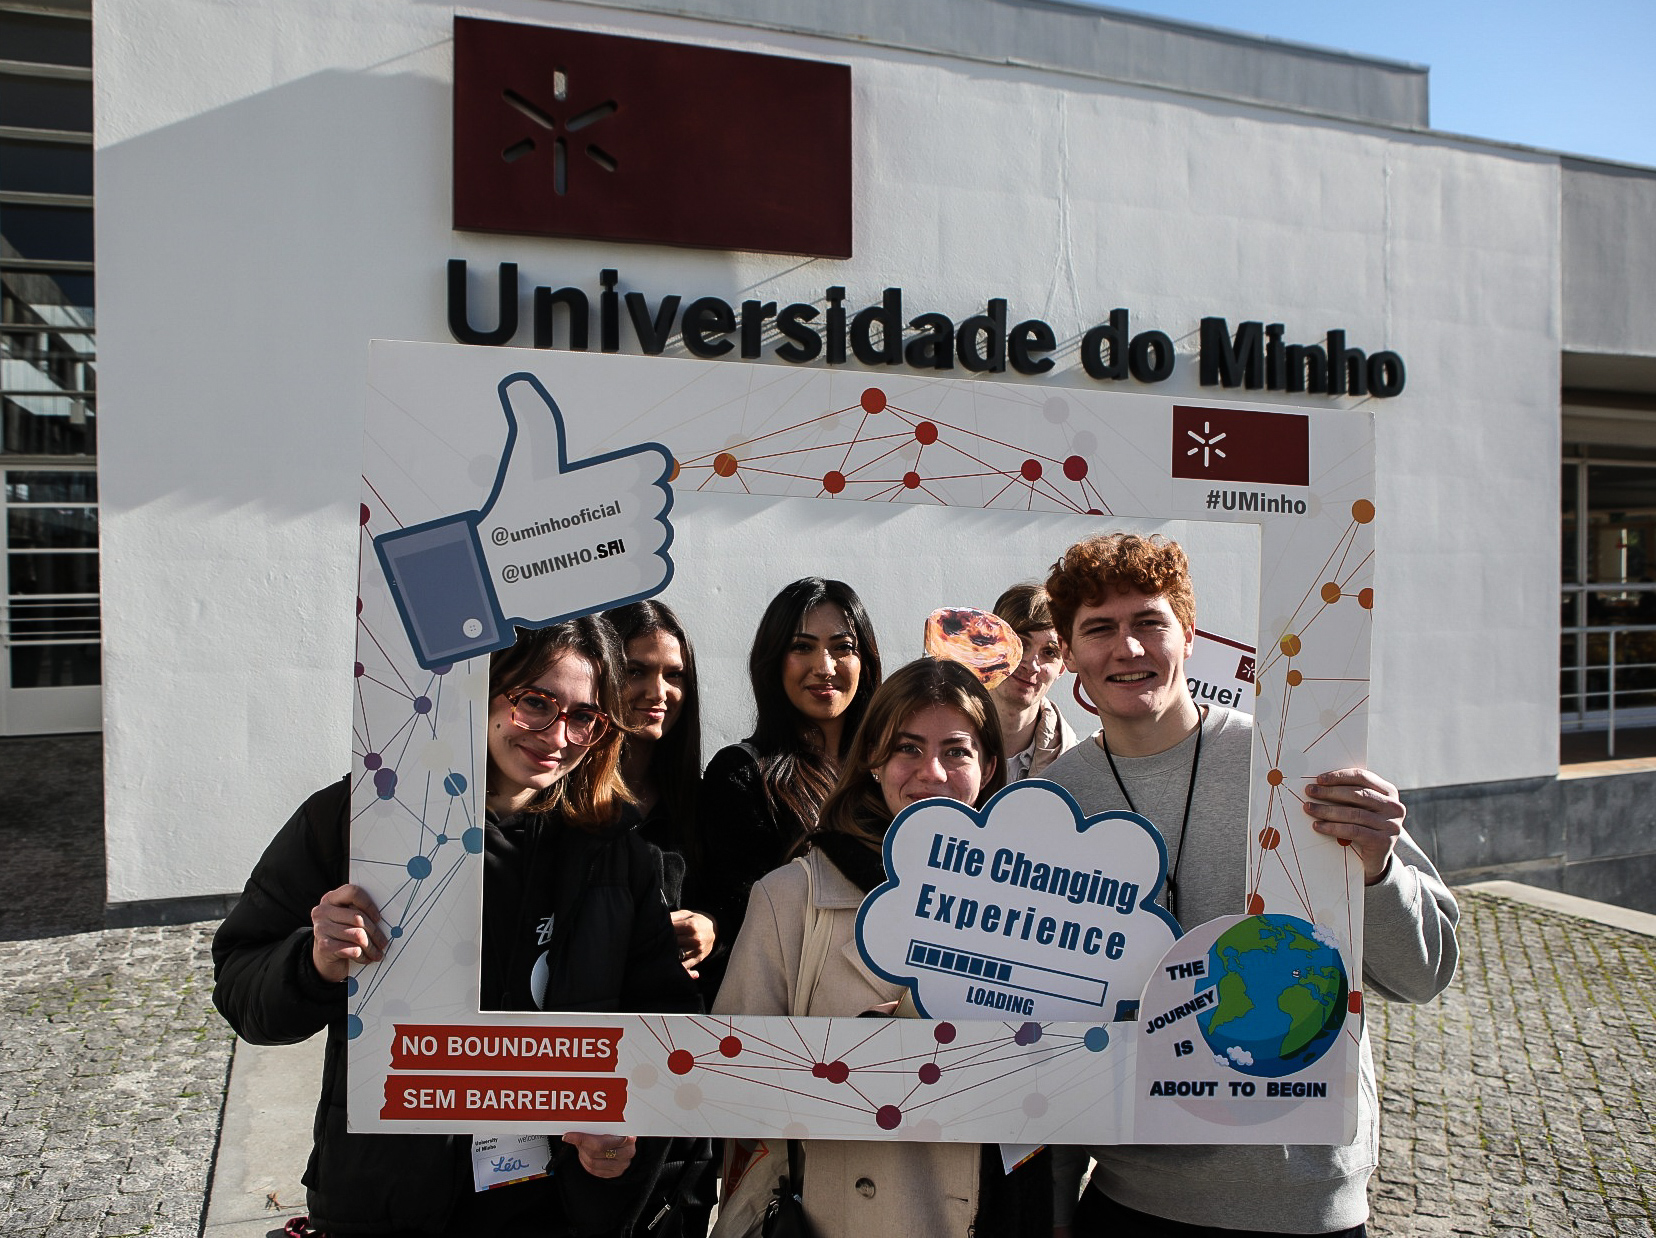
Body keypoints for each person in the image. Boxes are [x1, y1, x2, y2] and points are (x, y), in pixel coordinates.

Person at [213, 617, 698, 1237]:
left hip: (549, 1208)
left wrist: (626, 1120)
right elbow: (240, 987)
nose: (558, 736)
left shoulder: (617, 849)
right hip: (388, 1197)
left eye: (584, 716)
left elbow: (663, 1025)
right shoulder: (364, 823)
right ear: (479, 689)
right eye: (536, 702)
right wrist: (315, 961)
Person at [1038, 532, 1459, 1238]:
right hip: (1130, 1199)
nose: (1128, 649)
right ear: (1070, 652)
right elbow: (1045, 1020)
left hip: (1304, 1201)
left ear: (1189, 634)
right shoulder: (1055, 802)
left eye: (1149, 622)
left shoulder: (1297, 771)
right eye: (1100, 629)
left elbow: (1423, 975)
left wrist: (1379, 869)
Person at [712, 657, 1050, 1238]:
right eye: (908, 748)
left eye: (957, 751)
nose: (932, 773)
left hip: (992, 1211)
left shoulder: (1035, 902)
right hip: (839, 1212)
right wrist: (864, 1053)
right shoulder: (793, 896)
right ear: (873, 760)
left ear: (990, 765)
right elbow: (729, 1079)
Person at [700, 578, 882, 978]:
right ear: (773, 660)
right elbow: (738, 918)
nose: (824, 667)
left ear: (865, 661)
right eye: (802, 647)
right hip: (790, 1012)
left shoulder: (891, 774)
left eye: (843, 647)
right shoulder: (742, 775)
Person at [606, 600, 717, 979]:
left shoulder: (701, 804)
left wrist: (711, 929)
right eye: (635, 671)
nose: (658, 691)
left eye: (674, 675)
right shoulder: (565, 802)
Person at [989, 582, 1077, 781]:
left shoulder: (1074, 767)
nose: (1031, 665)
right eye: (1020, 643)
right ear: (991, 645)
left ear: (1063, 666)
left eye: (1049, 652)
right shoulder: (940, 744)